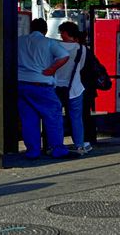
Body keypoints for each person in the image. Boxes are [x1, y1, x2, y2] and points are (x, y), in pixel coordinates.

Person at [18, 18, 71, 159]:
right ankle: (57, 149)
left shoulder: (19, 41)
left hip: (21, 84)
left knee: (29, 119)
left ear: (30, 29)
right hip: (41, 84)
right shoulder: (48, 42)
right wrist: (52, 69)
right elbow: (65, 55)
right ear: (45, 30)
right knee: (53, 116)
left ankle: (33, 151)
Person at [55, 22, 91, 154]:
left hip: (56, 86)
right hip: (75, 88)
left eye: (61, 32)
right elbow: (80, 67)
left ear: (65, 33)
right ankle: (79, 144)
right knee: (76, 118)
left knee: (56, 117)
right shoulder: (82, 49)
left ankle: (57, 145)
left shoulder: (55, 46)